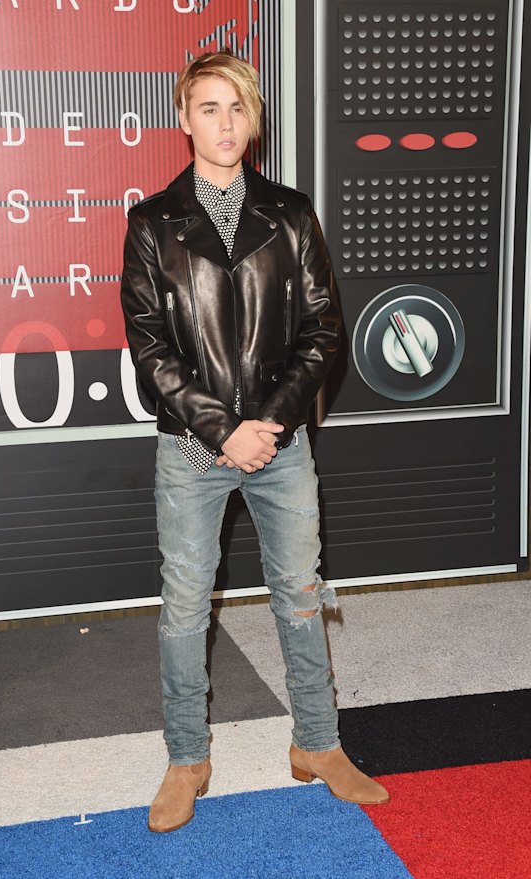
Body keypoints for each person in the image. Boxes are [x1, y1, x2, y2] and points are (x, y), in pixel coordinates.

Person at [121, 50, 389, 833]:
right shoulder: (150, 224)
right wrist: (221, 430)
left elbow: (322, 330)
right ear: (183, 118)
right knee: (182, 606)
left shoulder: (292, 212)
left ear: (254, 117)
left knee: (301, 593)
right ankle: (186, 756)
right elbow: (149, 348)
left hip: (279, 442)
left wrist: (263, 425)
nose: (226, 123)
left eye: (238, 107)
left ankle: (318, 743)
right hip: (192, 447)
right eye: (209, 108)